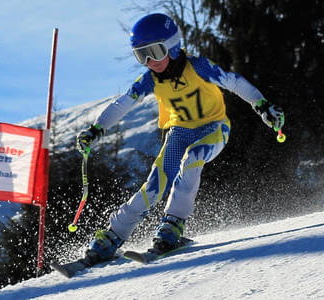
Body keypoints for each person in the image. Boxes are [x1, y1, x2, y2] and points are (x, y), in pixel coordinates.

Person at [76, 13, 284, 262]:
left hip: (213, 128)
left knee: (193, 158)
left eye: (154, 51)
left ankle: (173, 225)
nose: (150, 61)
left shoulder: (198, 67)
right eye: (142, 55)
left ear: (172, 46)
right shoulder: (149, 80)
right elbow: (122, 104)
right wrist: (96, 129)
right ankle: (113, 235)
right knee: (155, 183)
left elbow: (234, 82)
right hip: (179, 132)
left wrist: (262, 105)